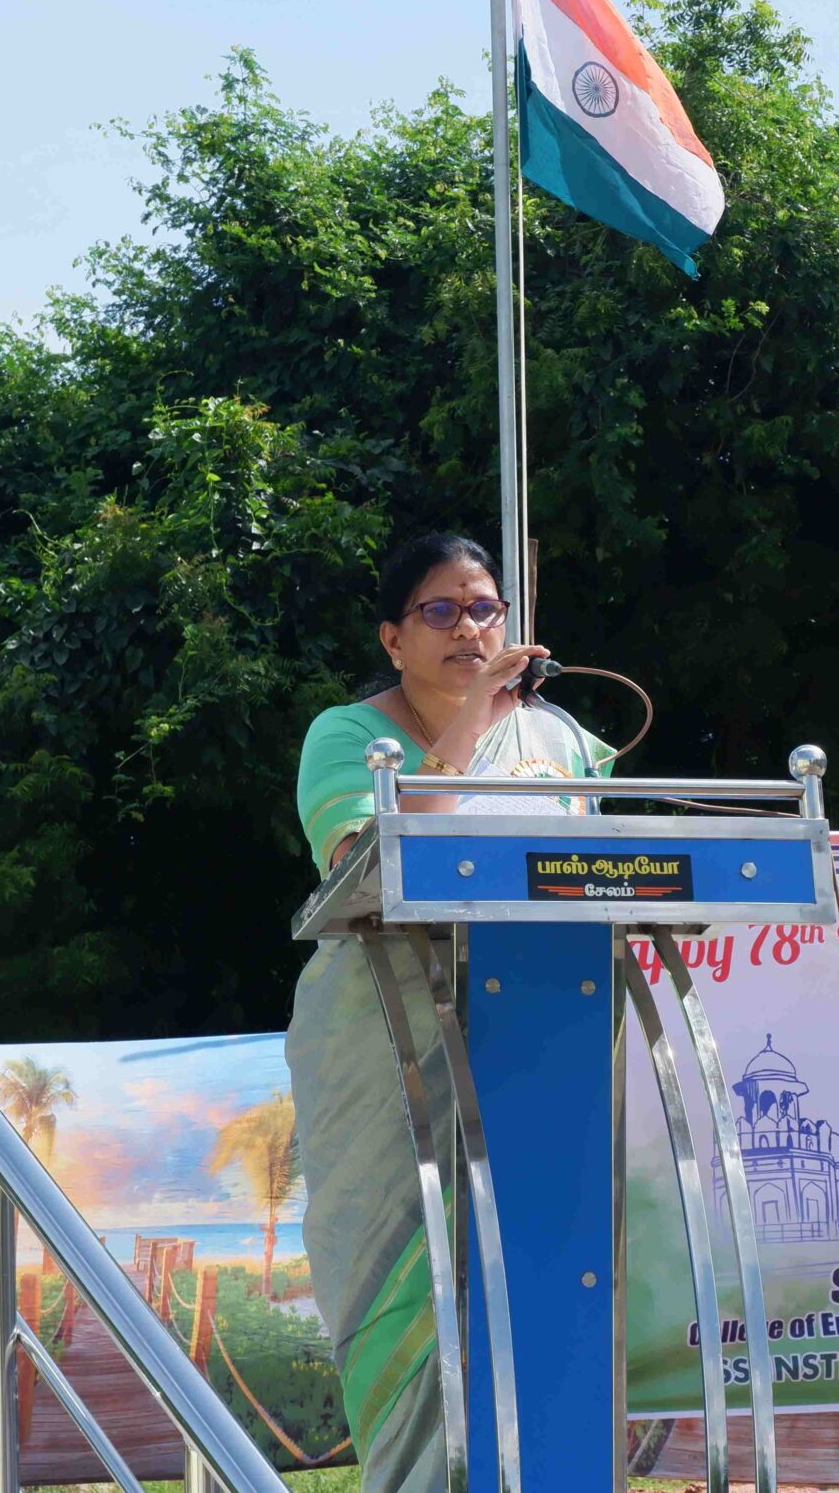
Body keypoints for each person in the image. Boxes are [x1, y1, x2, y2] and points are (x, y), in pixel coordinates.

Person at [286, 533, 612, 1493]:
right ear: (393, 638)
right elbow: (380, 857)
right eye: (440, 611)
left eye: (484, 609)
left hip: (545, 1038)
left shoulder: (560, 741)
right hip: (388, 1040)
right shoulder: (347, 736)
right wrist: (475, 714)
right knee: (401, 1284)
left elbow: (608, 870)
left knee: (547, 1273)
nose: (469, 628)